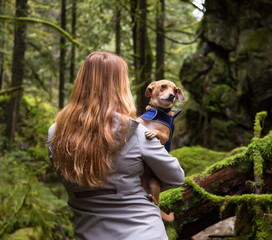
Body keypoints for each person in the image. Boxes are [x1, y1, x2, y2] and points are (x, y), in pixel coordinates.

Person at [48, 51, 185, 240]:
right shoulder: (135, 130)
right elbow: (177, 176)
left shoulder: (55, 132)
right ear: (119, 87)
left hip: (88, 233)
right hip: (143, 232)